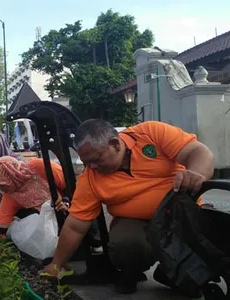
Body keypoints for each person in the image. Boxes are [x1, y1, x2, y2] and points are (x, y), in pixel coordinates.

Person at [41, 119, 214, 297]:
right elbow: (75, 226)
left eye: (96, 160)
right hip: (135, 223)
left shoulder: (151, 133)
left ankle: (167, 273)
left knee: (199, 274)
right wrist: (56, 264)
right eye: (87, 163)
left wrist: (197, 173)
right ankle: (130, 272)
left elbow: (197, 151)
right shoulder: (90, 177)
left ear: (115, 144)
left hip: (179, 215)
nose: (92, 167)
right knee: (125, 246)